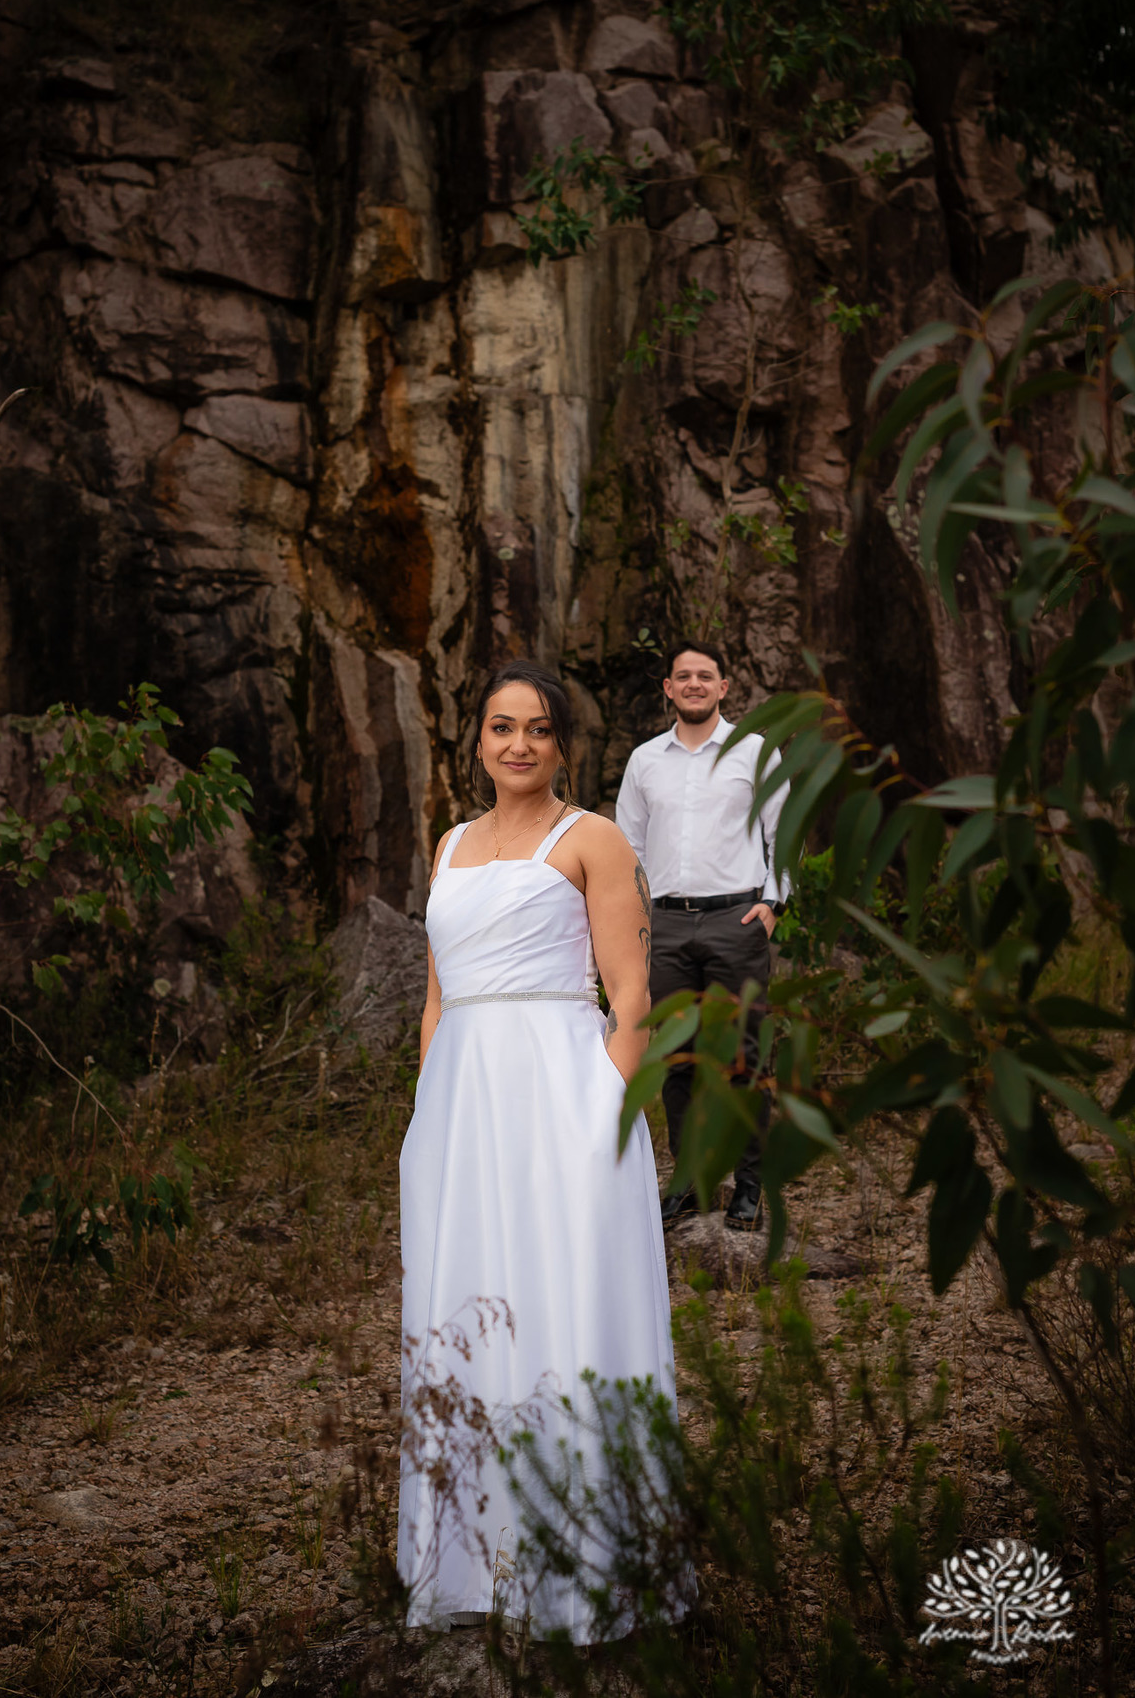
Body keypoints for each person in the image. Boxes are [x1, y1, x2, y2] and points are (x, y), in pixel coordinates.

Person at [397, 659, 686, 1641]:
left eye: (538, 728)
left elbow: (632, 990)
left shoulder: (592, 837)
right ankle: (477, 1561)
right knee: (471, 1307)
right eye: (501, 726)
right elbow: (438, 998)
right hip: (461, 1105)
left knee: (566, 1303)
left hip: (564, 1093)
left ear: (562, 744)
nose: (518, 744)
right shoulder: (449, 845)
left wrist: (609, 1106)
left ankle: (586, 1566)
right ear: (477, 740)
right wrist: (426, 1112)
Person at [614, 639, 790, 1232]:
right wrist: (639, 919)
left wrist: (772, 904)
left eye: (705, 675)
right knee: (677, 1060)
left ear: (723, 687)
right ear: (668, 688)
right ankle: (688, 1183)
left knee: (745, 1058)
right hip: (665, 926)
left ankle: (750, 1185)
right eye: (683, 675)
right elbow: (629, 847)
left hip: (736, 921)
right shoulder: (645, 761)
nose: (694, 684)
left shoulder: (756, 753)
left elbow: (783, 835)